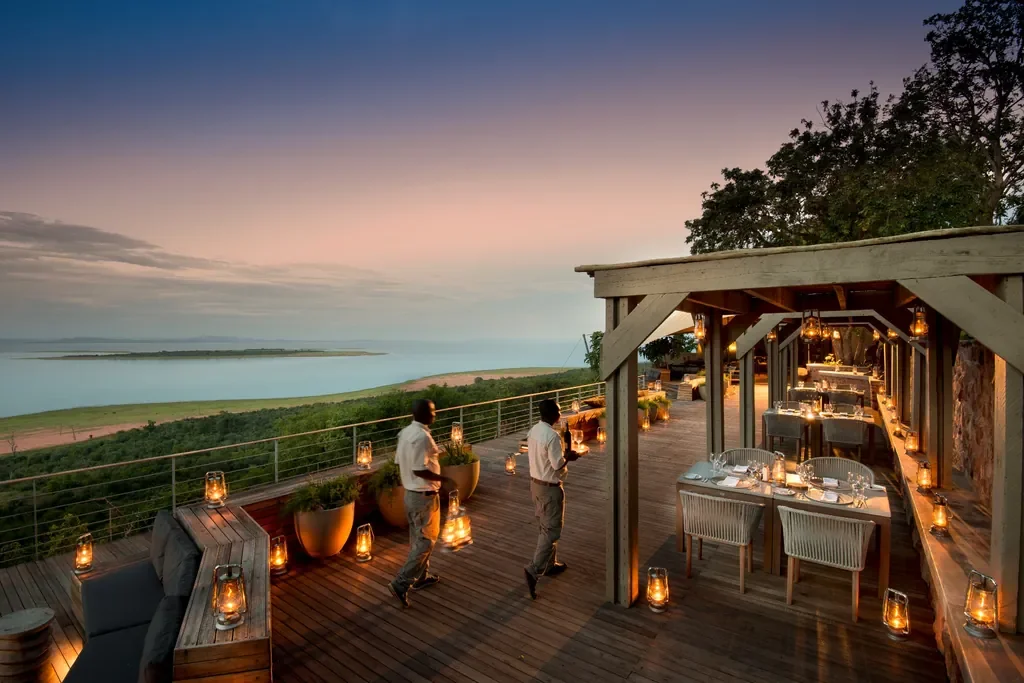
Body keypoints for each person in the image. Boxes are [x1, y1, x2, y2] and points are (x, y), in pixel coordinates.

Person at [388, 398, 452, 608]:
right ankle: (401, 583)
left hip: (411, 495)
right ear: (423, 414)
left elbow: (400, 462)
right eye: (433, 411)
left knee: (418, 538)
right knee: (426, 541)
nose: (435, 414)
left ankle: (421, 577)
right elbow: (418, 468)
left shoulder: (406, 433)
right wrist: (444, 480)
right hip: (423, 496)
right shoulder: (422, 437)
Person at [524, 398, 580, 599]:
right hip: (549, 488)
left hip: (535, 485)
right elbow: (557, 465)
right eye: (558, 411)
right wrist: (571, 458)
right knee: (552, 530)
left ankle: (549, 564)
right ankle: (534, 568)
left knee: (544, 525)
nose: (560, 413)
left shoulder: (534, 431)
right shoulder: (552, 436)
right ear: (551, 415)